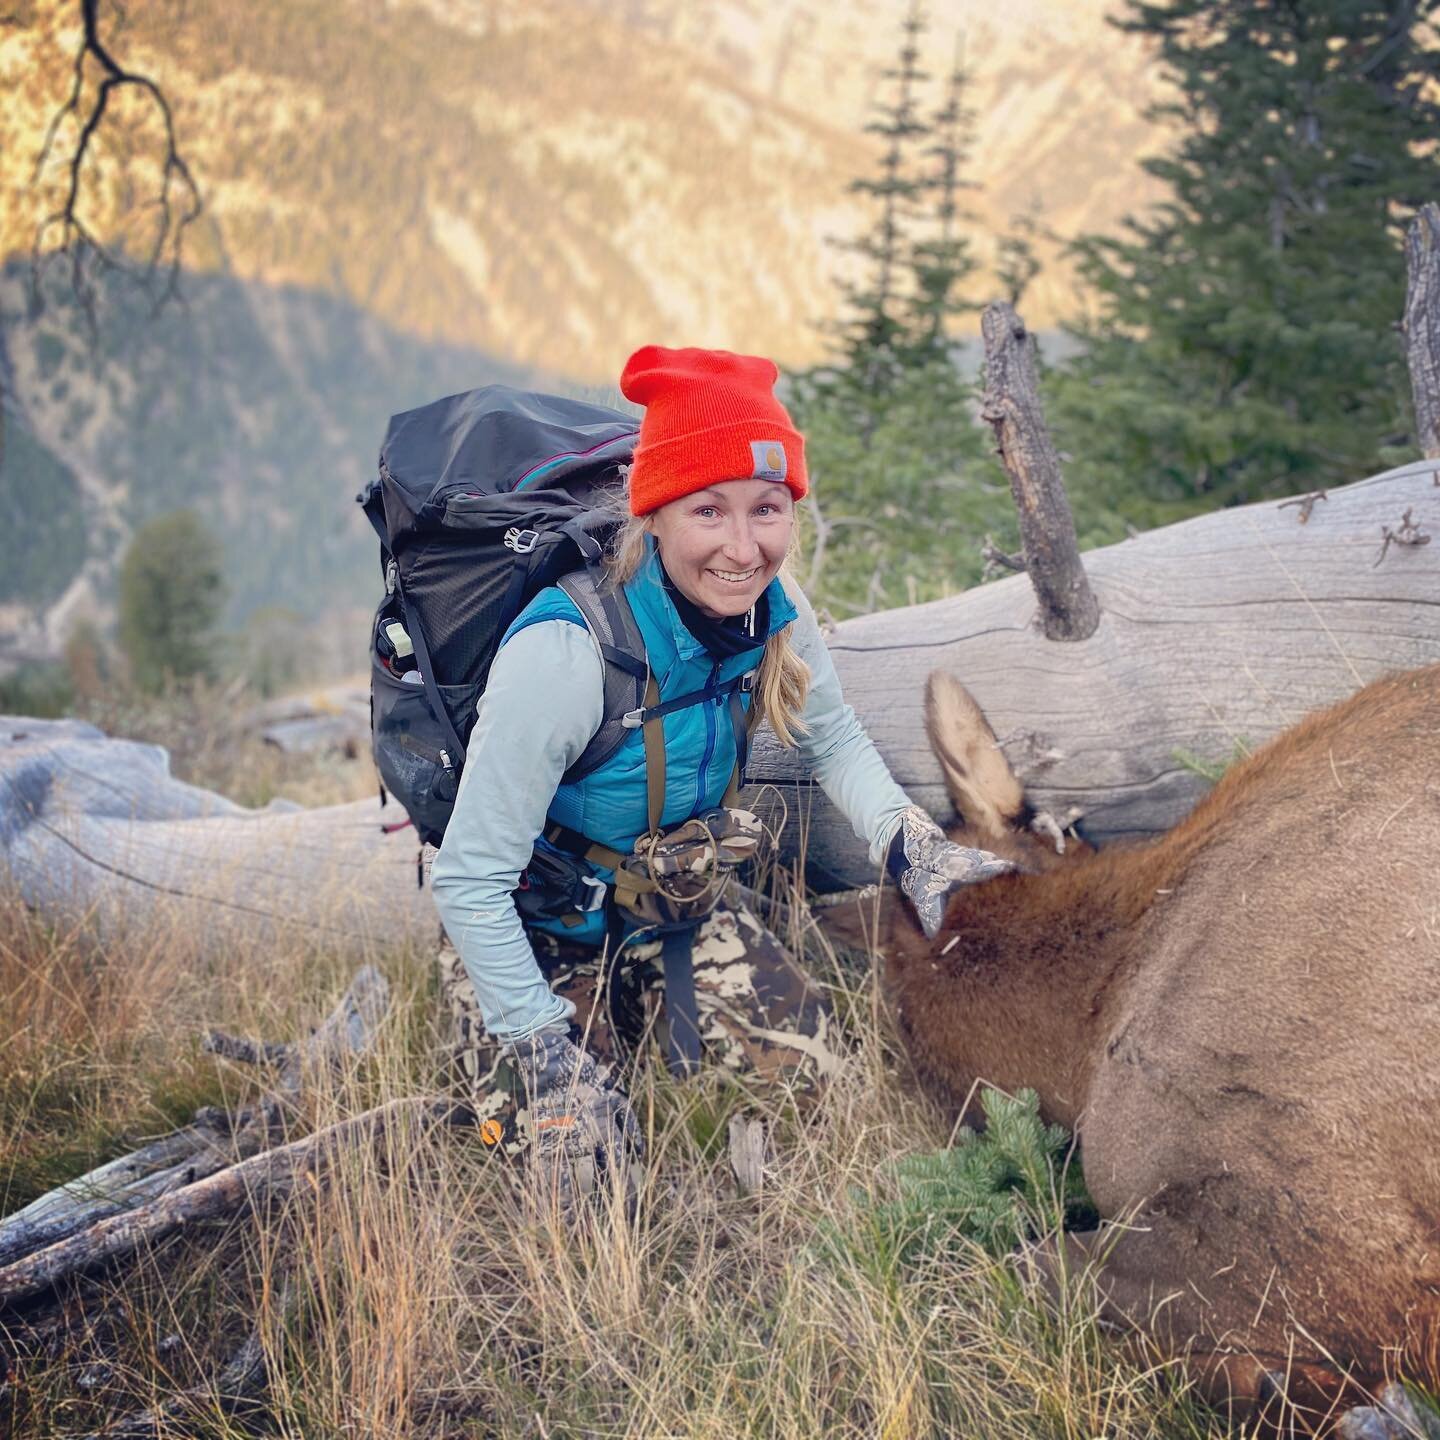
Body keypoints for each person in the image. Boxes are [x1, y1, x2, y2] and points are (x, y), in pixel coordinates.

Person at [430, 345, 1009, 1202]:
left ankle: (628, 1020)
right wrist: (541, 1042)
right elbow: (470, 879)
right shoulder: (566, 652)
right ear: (654, 515)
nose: (744, 549)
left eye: (767, 509)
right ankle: (551, 1041)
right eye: (710, 511)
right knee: (584, 1186)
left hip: (673, 913)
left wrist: (908, 841)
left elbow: (834, 737)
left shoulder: (776, 610)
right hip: (534, 929)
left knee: (831, 1097)